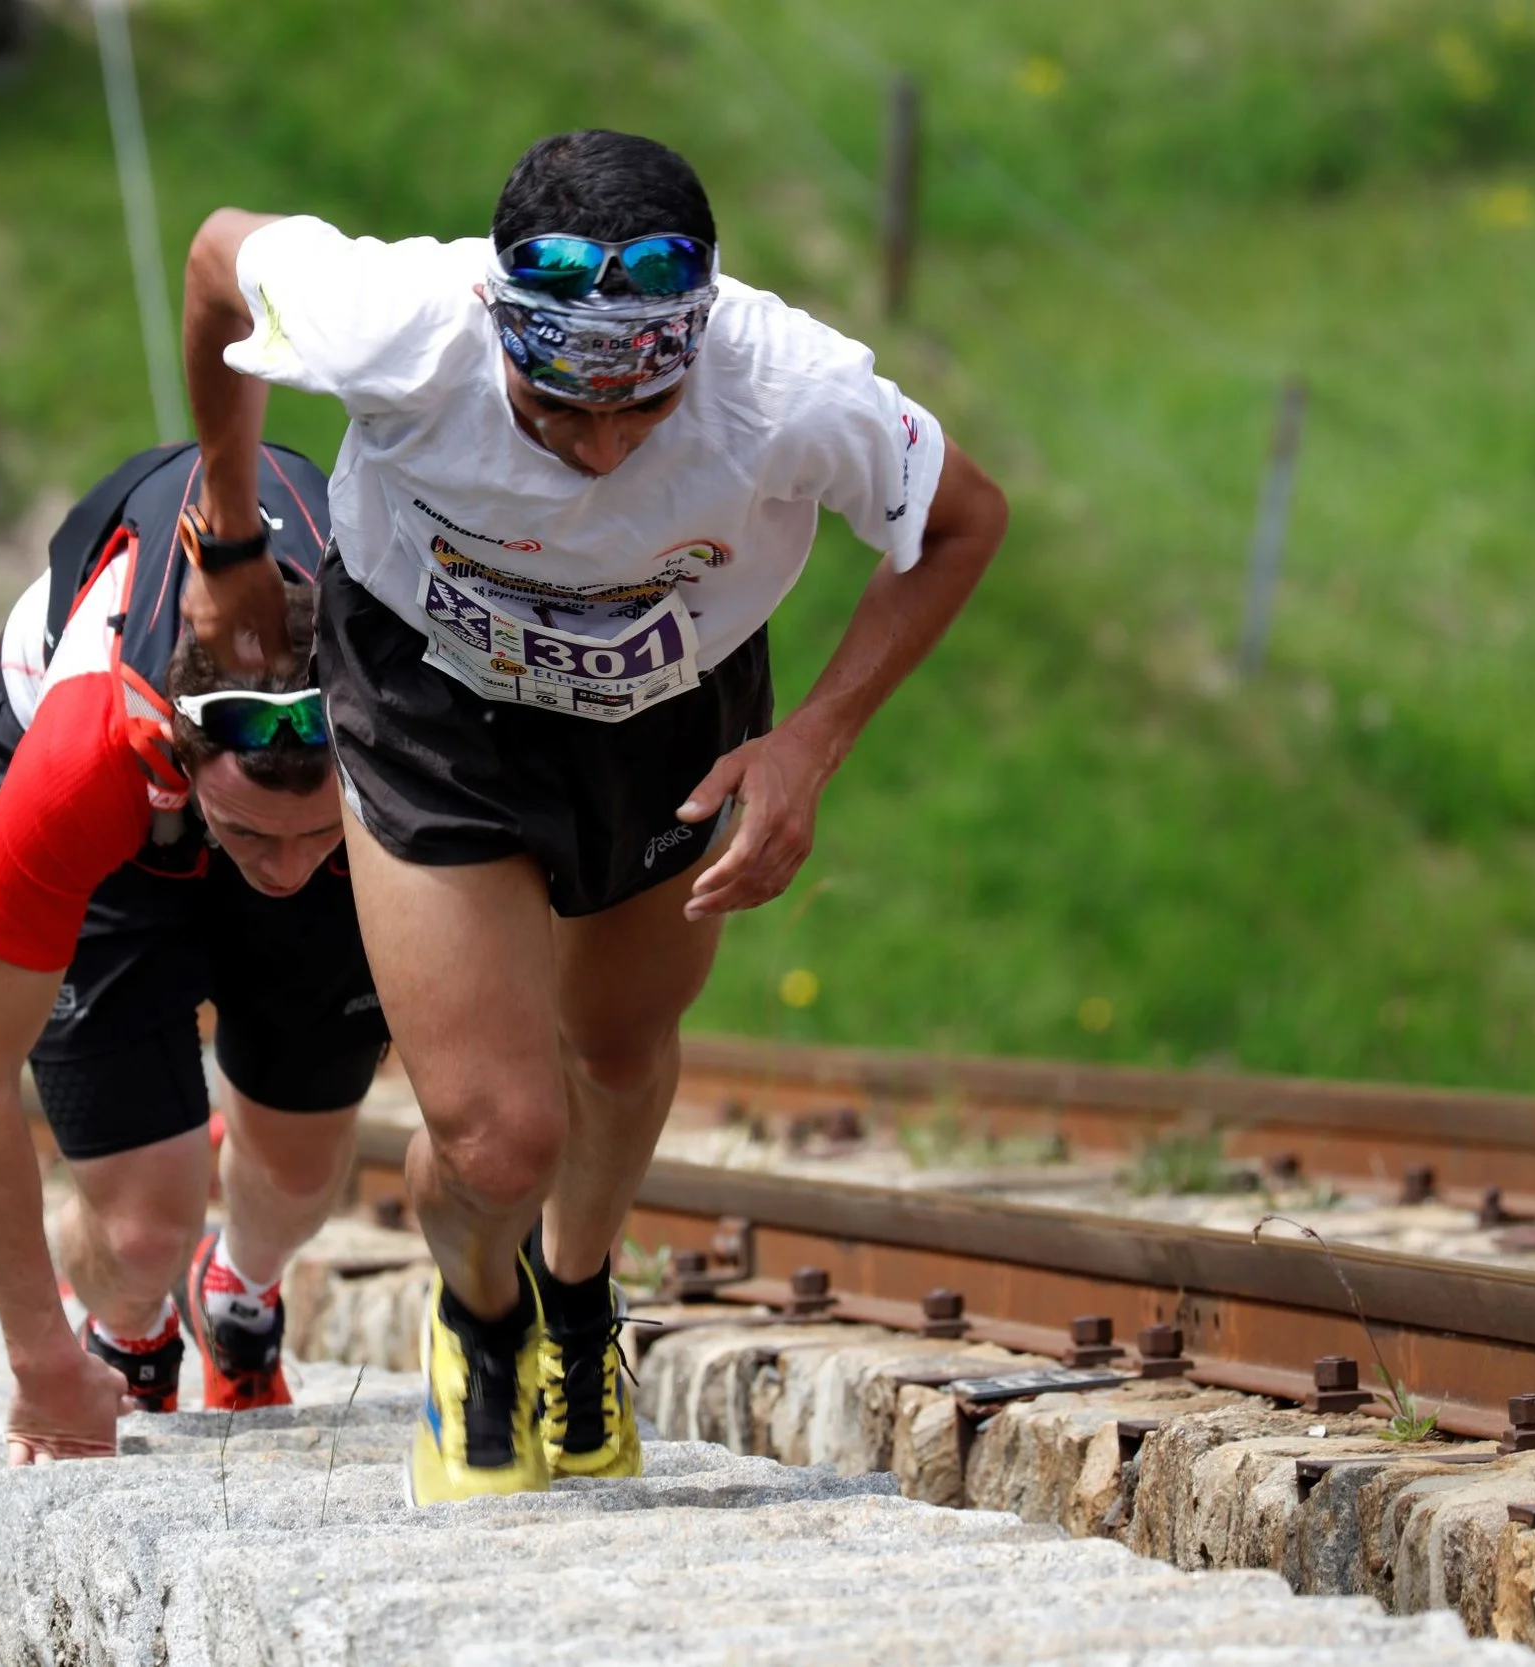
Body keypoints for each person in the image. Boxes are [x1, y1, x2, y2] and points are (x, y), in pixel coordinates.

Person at [172, 130, 1009, 1502]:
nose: (604, 449)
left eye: (643, 414)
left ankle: (577, 1298)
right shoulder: (397, 324)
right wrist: (227, 521)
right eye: (557, 411)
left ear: (698, 345)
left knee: (619, 1048)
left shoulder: (786, 385)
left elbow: (964, 517)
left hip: (671, 716)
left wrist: (809, 745)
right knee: (500, 1136)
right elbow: (217, 254)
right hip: (432, 706)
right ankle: (484, 1315)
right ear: (501, 324)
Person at [0, 443, 390, 1466]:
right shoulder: (82, 758)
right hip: (119, 820)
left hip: (279, 786)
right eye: (258, 836)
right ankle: (130, 1325)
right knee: (140, 1233)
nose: (283, 867)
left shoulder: (393, 721)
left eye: (316, 839)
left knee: (303, 1170)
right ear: (180, 757)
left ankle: (240, 1289)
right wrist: (39, 1362)